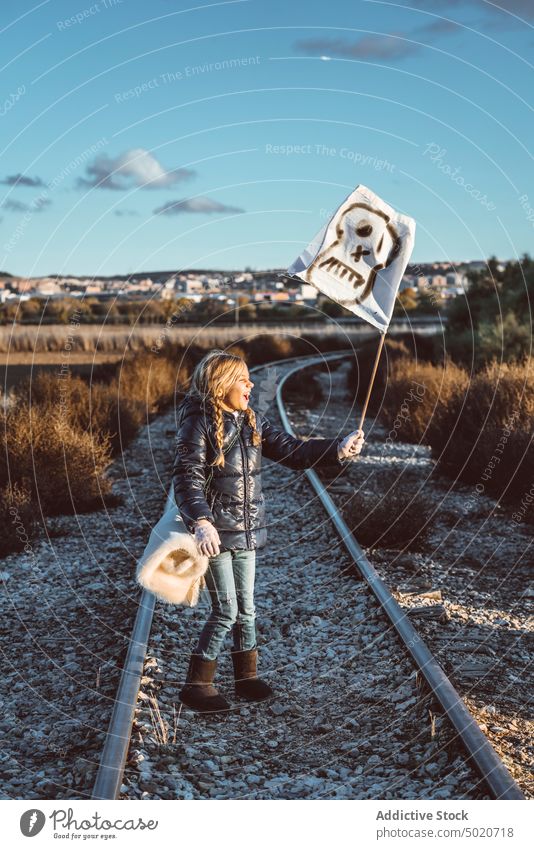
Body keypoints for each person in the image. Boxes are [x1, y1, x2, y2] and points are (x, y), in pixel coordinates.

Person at [173, 349, 365, 713]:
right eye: (243, 379)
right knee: (226, 610)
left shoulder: (250, 420)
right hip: (214, 532)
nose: (251, 384)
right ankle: (197, 685)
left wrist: (337, 449)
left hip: (245, 529)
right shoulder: (196, 422)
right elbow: (187, 478)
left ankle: (247, 677)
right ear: (222, 384)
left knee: (247, 609)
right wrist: (200, 522)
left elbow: (292, 451)